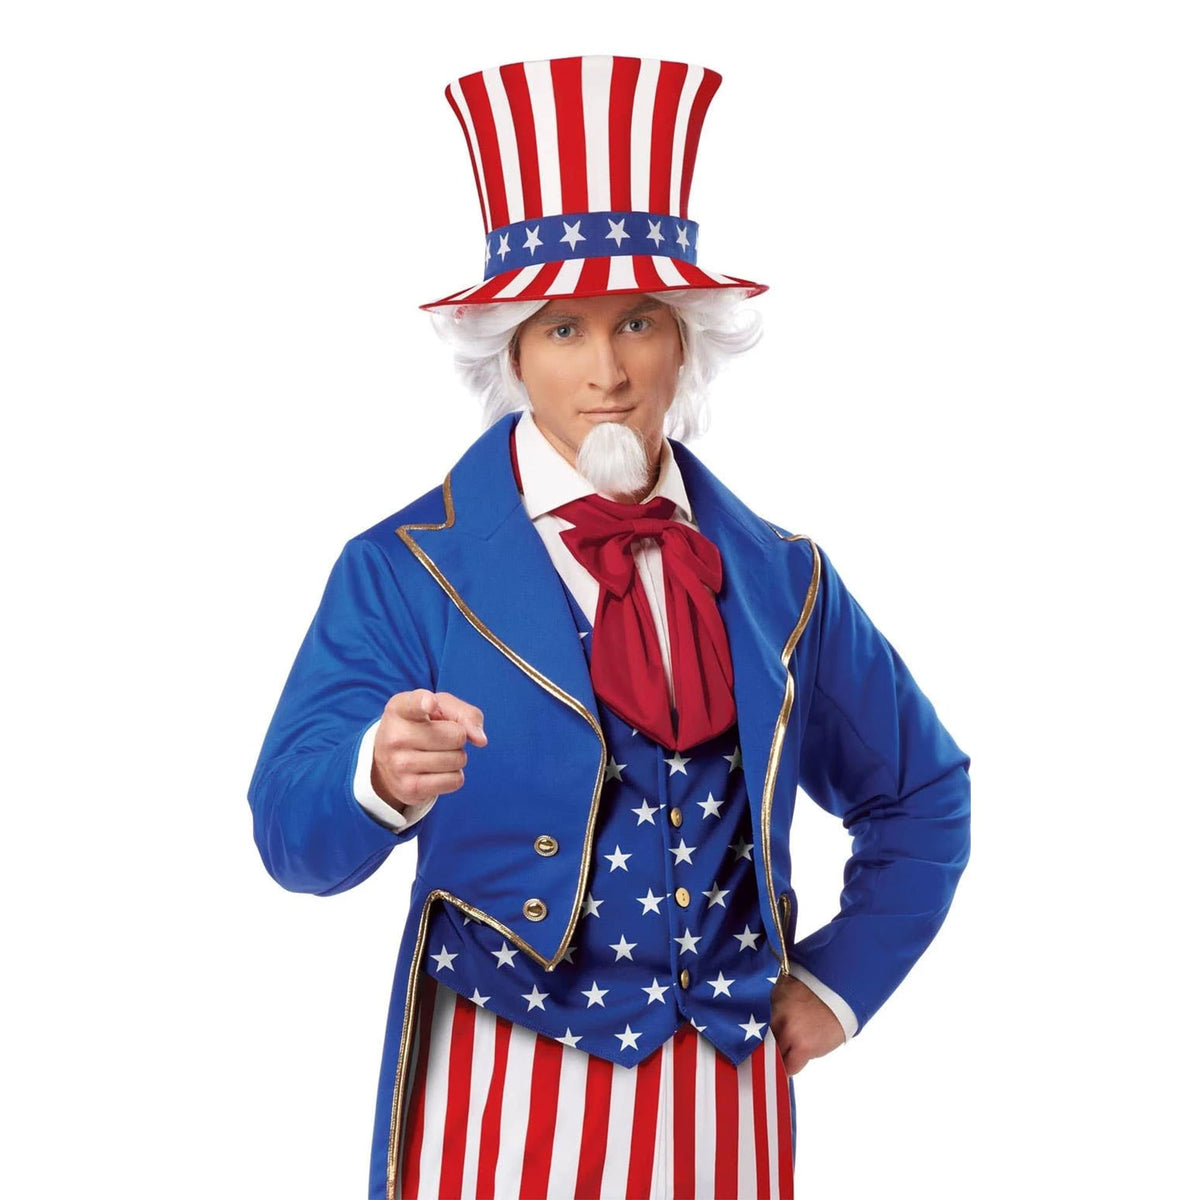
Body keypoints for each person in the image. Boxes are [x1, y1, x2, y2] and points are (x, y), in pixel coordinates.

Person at [247, 53, 971, 1200]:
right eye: (564, 330)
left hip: (726, 1107)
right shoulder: (401, 571)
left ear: (686, 339)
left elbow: (924, 791)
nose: (609, 372)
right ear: (511, 351)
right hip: (500, 1099)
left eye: (637, 322)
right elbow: (290, 835)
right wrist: (372, 774)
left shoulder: (785, 579)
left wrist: (840, 986)